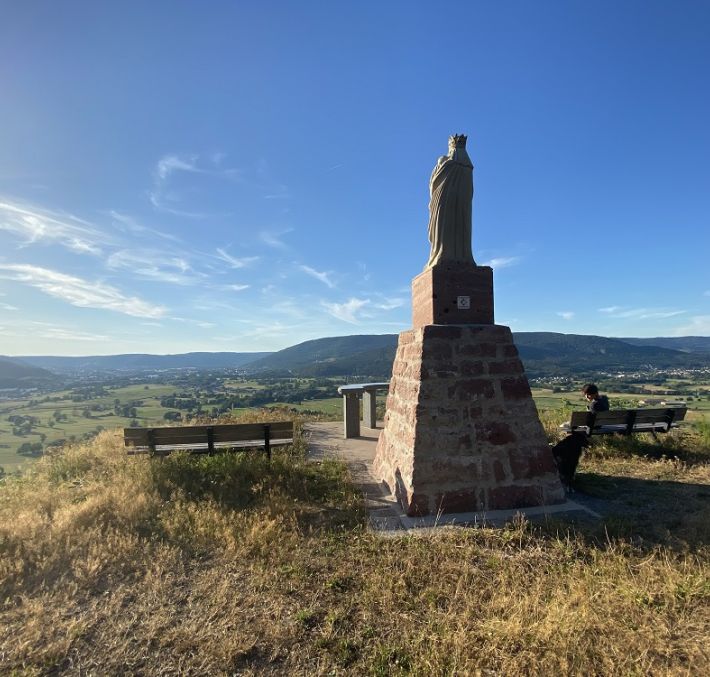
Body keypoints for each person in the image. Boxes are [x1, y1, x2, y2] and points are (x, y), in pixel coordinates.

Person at [425, 134, 475, 269]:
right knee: (457, 228)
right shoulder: (467, 166)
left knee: (446, 229)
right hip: (456, 208)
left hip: (447, 206)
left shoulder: (445, 163)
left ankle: (443, 254)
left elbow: (433, 186)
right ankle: (460, 255)